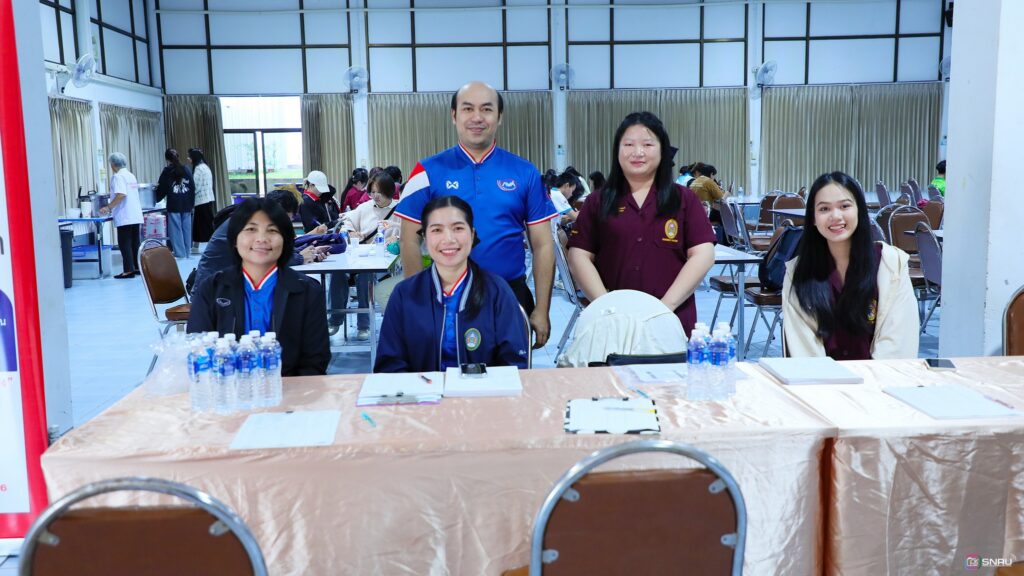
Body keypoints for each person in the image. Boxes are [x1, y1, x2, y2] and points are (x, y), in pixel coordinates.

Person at [396, 81, 558, 349]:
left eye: (486, 109)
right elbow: (409, 240)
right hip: (444, 298)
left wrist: (542, 309)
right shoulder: (426, 171)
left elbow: (542, 244)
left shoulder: (525, 172)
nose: (477, 117)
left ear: (499, 116)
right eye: (468, 108)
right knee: (448, 371)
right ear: (454, 115)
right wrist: (419, 303)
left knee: (511, 373)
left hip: (510, 294)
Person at [567, 111, 716, 337]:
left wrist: (663, 309)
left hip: (671, 320)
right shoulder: (598, 201)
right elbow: (579, 255)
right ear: (617, 150)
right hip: (612, 325)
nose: (637, 152)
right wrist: (607, 308)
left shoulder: (684, 199)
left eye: (647, 144)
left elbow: (703, 254)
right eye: (628, 144)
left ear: (662, 150)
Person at [376, 196, 529, 373]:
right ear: (425, 237)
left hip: (484, 390)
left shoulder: (497, 291)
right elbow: (389, 366)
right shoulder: (404, 294)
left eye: (458, 228)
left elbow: (514, 365)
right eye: (437, 230)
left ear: (472, 234)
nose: (448, 239)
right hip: (421, 391)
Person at [782, 171, 919, 360]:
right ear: (813, 218)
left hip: (880, 377)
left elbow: (897, 344)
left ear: (859, 210)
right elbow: (804, 349)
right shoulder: (798, 272)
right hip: (820, 378)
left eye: (844, 206)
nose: (835, 216)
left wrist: (870, 379)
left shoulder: (890, 264)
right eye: (824, 209)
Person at [187, 197, 331, 376]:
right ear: (234, 239)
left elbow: (315, 362)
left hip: (289, 388)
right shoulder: (211, 289)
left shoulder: (307, 291)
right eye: (251, 230)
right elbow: (199, 351)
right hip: (226, 388)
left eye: (272, 230)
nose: (261, 239)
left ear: (285, 240)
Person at [191, 190, 328, 293]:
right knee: (301, 290)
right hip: (212, 291)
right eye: (286, 219)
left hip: (231, 283)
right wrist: (300, 257)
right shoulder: (247, 224)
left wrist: (308, 253)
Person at [339, 172, 401, 341]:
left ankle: (363, 325)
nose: (375, 196)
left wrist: (396, 237)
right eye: (372, 192)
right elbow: (346, 222)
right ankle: (336, 318)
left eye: (379, 192)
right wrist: (351, 232)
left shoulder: (400, 209)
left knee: (365, 277)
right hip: (359, 257)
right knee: (338, 274)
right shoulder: (364, 207)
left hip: (384, 262)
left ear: (389, 191)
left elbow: (408, 233)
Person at [99, 152, 144, 279]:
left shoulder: (118, 177)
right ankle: (137, 267)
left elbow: (121, 194)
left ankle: (128, 270)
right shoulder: (131, 175)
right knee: (135, 242)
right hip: (135, 213)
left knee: (125, 243)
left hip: (125, 215)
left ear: (113, 164)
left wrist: (108, 207)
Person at [156, 148, 195, 259]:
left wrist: (156, 198)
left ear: (167, 159)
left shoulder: (167, 171)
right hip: (187, 203)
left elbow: (162, 188)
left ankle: (180, 252)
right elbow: (192, 187)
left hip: (174, 203)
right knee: (187, 228)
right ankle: (187, 252)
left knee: (175, 229)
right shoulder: (186, 169)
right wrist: (192, 203)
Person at [188, 148, 216, 254]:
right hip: (208, 199)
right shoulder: (205, 167)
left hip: (201, 200)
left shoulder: (199, 169)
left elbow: (196, 186)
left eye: (190, 157)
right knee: (206, 224)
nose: (188, 159)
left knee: (201, 225)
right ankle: (196, 246)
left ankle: (203, 247)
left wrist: (188, 194)